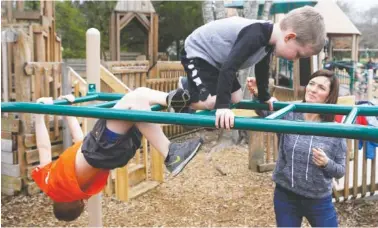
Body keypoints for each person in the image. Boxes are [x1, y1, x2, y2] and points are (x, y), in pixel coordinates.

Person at [32, 89, 203, 222]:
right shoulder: (50, 185)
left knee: (138, 102)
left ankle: (179, 104)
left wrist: (66, 111)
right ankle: (171, 150)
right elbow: (44, 148)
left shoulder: (82, 190)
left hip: (115, 155)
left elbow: (79, 142)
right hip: (99, 149)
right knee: (136, 97)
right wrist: (38, 115)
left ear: (81, 204)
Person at [167, 6, 326, 130]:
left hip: (217, 62)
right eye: (298, 54)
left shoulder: (268, 40)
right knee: (211, 103)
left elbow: (262, 69)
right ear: (289, 37)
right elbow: (229, 68)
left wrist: (265, 97)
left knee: (235, 98)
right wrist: (222, 108)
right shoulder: (255, 35)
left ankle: (200, 95)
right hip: (198, 54)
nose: (295, 59)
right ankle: (187, 89)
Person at [247, 69, 347, 227]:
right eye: (311, 84)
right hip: (286, 195)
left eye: (321, 88)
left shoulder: (334, 131)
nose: (313, 89)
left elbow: (340, 171)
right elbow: (263, 110)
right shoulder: (290, 113)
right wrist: (260, 93)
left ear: (329, 96)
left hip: (318, 200)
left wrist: (326, 163)